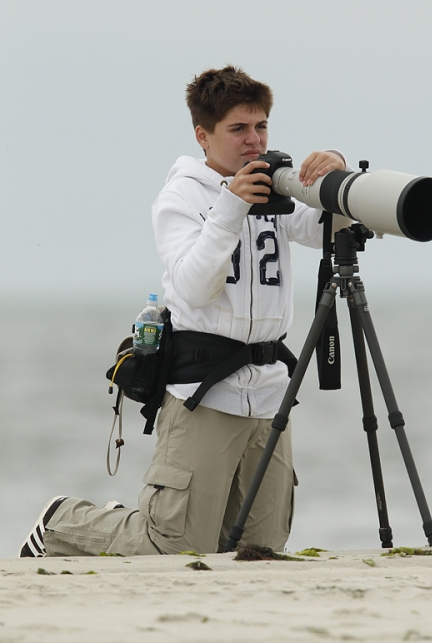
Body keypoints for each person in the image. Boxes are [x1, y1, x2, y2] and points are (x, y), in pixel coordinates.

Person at [19, 66, 349, 558]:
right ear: (203, 134)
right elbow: (195, 288)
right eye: (238, 129)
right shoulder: (180, 196)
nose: (253, 142)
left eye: (260, 127)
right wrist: (230, 209)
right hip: (204, 391)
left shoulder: (274, 186)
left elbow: (333, 229)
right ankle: (62, 522)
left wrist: (335, 171)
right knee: (172, 547)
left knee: (261, 549)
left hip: (268, 392)